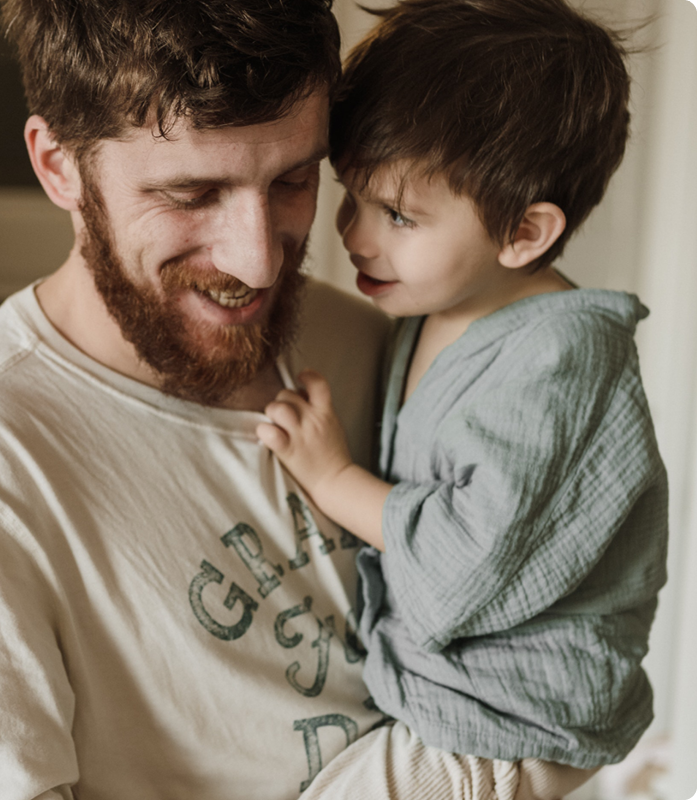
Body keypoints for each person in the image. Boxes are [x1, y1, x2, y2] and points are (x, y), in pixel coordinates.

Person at [0, 1, 390, 798]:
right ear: (58, 166)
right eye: (191, 194)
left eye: (291, 180)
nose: (256, 261)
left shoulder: (374, 348)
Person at [257, 0, 669, 797]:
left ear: (524, 233)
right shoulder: (441, 308)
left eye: (400, 215)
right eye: (354, 195)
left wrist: (334, 477)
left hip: (512, 721)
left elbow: (460, 566)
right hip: (462, 696)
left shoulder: (557, 359)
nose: (355, 235)